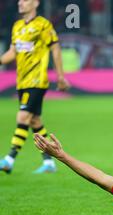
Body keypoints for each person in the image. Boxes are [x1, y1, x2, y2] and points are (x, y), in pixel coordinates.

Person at [0, 0, 70, 175]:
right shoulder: (17, 26)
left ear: (36, 3)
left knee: (23, 116)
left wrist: (61, 76)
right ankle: (49, 163)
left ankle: (9, 159)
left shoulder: (43, 25)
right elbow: (12, 53)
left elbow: (55, 49)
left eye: (25, 0)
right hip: (22, 81)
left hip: (37, 81)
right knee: (35, 122)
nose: (20, 3)